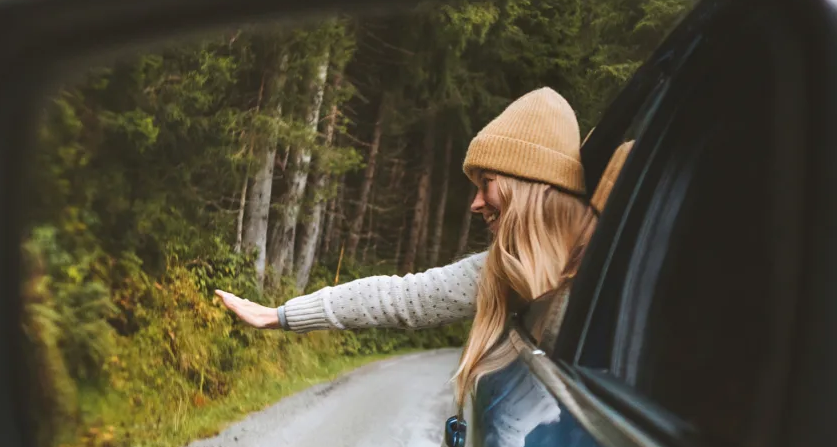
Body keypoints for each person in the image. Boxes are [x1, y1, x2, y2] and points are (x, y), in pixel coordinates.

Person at [216, 87, 629, 341]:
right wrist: (280, 315)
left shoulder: (616, 269)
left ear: (527, 185)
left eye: (486, 182)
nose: (476, 203)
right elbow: (401, 297)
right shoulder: (505, 268)